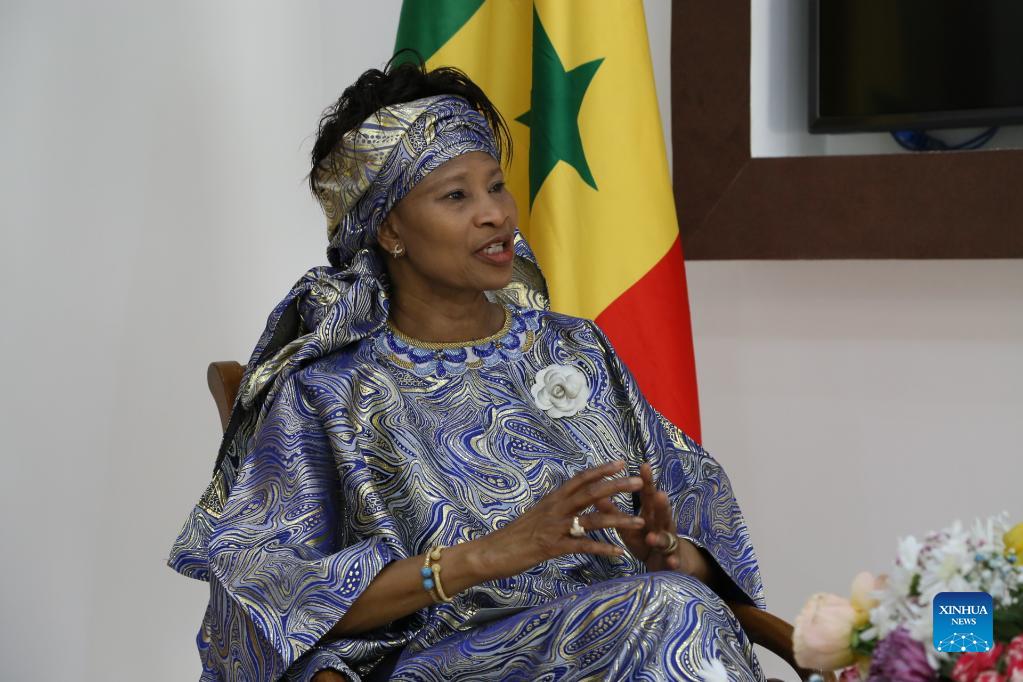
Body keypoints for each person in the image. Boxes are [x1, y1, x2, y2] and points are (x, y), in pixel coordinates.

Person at [169, 56, 767, 682]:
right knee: (671, 612)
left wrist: (670, 556)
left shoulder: (576, 349)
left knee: (675, 606)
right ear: (389, 228)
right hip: (445, 663)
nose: (496, 214)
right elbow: (265, 602)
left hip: (632, 641)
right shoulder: (330, 391)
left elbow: (703, 535)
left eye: (497, 186)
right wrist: (486, 556)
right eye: (457, 195)